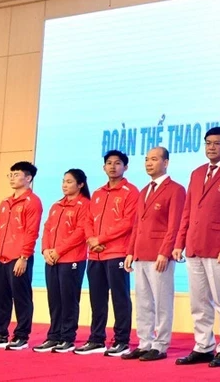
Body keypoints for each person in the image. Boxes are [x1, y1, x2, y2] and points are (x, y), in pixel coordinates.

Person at [173, 127, 220, 368]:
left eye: (217, 143)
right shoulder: (197, 173)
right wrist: (179, 242)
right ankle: (203, 346)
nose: (211, 147)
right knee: (198, 301)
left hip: (219, 248)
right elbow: (187, 211)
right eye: (208, 143)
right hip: (194, 245)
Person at [122, 147, 185, 362]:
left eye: (155, 159)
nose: (149, 163)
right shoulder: (144, 190)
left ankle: (160, 344)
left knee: (162, 301)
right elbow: (136, 225)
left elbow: (174, 225)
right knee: (143, 301)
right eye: (147, 159)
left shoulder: (175, 189)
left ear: (166, 162)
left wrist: (165, 252)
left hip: (160, 255)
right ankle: (144, 342)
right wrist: (130, 251)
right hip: (140, 252)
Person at [75, 150, 139, 357]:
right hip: (95, 254)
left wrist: (99, 239)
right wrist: (91, 241)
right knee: (97, 298)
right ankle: (96, 339)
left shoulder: (131, 192)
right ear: (104, 167)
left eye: (118, 163)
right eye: (109, 163)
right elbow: (87, 220)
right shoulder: (98, 193)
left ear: (125, 167)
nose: (113, 166)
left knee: (120, 298)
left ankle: (121, 340)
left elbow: (128, 223)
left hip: (117, 253)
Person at [35, 169, 91, 353]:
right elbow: (48, 228)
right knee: (55, 299)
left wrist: (58, 251)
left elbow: (81, 232)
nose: (65, 185)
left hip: (72, 259)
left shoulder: (85, 205)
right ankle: (54, 336)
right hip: (52, 259)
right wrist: (45, 250)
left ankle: (67, 337)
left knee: (69, 299)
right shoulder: (57, 205)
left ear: (80, 184)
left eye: (69, 181)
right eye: (63, 181)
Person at [0, 162, 43, 351]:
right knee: (1, 297)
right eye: (10, 174)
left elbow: (31, 231)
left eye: (16, 174)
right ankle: (0, 333)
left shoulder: (32, 202)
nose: (12, 178)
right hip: (1, 257)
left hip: (18, 258)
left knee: (21, 298)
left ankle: (21, 336)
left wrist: (24, 256)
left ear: (28, 178)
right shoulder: (5, 202)